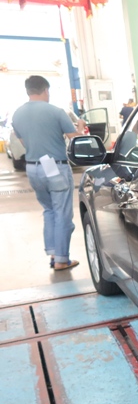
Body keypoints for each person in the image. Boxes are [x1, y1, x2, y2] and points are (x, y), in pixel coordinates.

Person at [12, 75, 85, 271]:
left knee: (49, 210)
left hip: (32, 167)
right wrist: (80, 126)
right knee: (62, 213)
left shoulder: (17, 114)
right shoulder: (56, 111)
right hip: (53, 166)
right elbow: (75, 139)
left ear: (28, 91)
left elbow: (24, 143)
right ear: (46, 90)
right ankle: (62, 260)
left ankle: (53, 254)